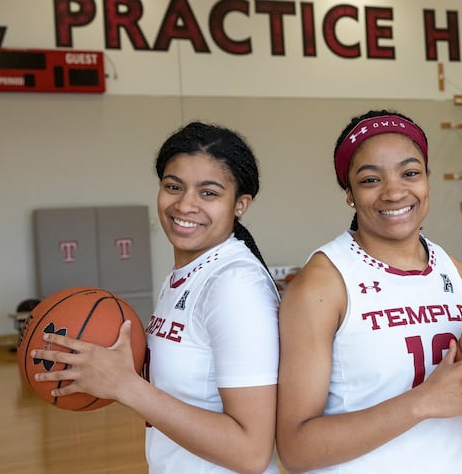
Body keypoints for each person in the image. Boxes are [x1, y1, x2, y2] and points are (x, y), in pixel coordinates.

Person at [275, 109, 462, 473]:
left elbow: (451, 409)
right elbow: (296, 449)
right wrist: (422, 401)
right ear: (349, 193)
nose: (394, 192)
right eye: (371, 179)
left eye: (410, 173)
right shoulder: (322, 284)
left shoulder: (456, 274)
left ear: (427, 181)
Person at [31, 122, 281, 473]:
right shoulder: (184, 275)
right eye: (173, 186)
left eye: (208, 193)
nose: (184, 204)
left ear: (240, 204)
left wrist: (126, 386)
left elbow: (250, 452)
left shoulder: (235, 285)